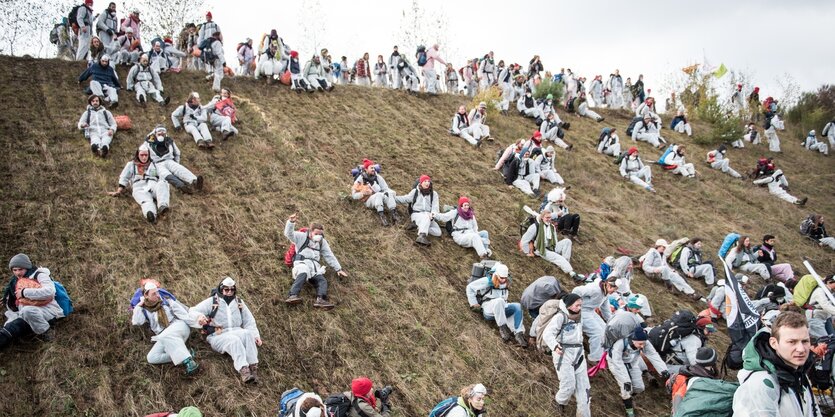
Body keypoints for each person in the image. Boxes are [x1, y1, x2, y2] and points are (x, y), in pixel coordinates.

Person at [732, 311, 821, 417]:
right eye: (792, 342)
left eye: (805, 341)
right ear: (774, 343)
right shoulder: (760, 385)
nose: (801, 349)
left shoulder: (800, 376)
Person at [191, 277, 262, 384]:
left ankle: (253, 367)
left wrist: (256, 336)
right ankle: (244, 370)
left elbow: (249, 320)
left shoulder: (239, 302)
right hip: (217, 334)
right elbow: (192, 310)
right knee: (234, 340)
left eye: (232, 289)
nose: (229, 292)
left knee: (248, 334)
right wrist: (199, 317)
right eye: (226, 289)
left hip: (236, 330)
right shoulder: (212, 301)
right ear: (221, 289)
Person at [131, 281, 199, 374]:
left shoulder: (167, 301)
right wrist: (139, 305)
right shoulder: (144, 310)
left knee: (164, 335)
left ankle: (189, 361)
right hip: (164, 336)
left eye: (157, 292)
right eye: (154, 294)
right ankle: (187, 353)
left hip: (178, 327)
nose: (157, 295)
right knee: (151, 357)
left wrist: (199, 323)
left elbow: (184, 315)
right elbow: (137, 321)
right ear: (146, 296)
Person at [284, 214, 348, 309]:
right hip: (302, 264)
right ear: (310, 232)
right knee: (303, 272)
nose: (318, 236)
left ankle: (321, 299)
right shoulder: (301, 237)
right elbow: (289, 234)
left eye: (320, 234)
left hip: (314, 268)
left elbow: (329, 255)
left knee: (322, 280)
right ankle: (292, 295)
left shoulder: (322, 242)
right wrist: (291, 222)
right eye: (316, 233)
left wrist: (338, 269)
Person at [542, 293, 591, 417]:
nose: (579, 308)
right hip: (563, 353)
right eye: (577, 305)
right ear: (569, 305)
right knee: (568, 384)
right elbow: (548, 333)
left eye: (580, 305)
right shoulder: (560, 317)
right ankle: (559, 402)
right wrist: (554, 346)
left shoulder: (580, 317)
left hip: (579, 353)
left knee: (584, 390)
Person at [1, 254, 65, 344]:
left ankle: (47, 332)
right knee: (7, 329)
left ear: (27, 267)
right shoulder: (14, 282)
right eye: (14, 270)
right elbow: (17, 303)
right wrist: (7, 301)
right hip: (23, 314)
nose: (17, 273)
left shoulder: (39, 275)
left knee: (28, 311)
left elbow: (50, 292)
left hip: (47, 311)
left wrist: (24, 292)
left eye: (20, 269)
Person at [609, 326, 669, 417]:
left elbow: (653, 354)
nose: (642, 346)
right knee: (626, 388)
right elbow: (617, 362)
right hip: (616, 363)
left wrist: (663, 369)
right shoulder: (620, 344)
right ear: (633, 340)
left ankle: (628, 399)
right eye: (640, 344)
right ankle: (629, 410)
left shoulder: (645, 342)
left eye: (643, 344)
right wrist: (626, 380)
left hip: (632, 363)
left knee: (639, 387)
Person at [466, 262, 527, 347]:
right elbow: (470, 287)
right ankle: (503, 328)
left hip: (501, 307)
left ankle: (519, 334)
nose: (503, 280)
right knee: (499, 301)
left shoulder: (506, 282)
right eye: (501, 278)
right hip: (488, 308)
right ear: (497, 275)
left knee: (517, 306)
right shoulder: (487, 280)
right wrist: (473, 303)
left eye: (505, 278)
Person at [108, 144, 170, 223]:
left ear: (149, 155)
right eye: (142, 155)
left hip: (153, 184)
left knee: (163, 183)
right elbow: (124, 177)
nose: (144, 157)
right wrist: (119, 190)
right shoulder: (131, 165)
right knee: (145, 201)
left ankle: (163, 206)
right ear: (138, 154)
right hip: (138, 187)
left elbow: (162, 175)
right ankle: (150, 214)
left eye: (146, 155)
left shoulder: (154, 164)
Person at [144, 125, 204, 194]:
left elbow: (177, 152)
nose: (161, 133)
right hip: (157, 163)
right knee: (166, 175)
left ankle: (195, 181)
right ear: (155, 133)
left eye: (163, 131)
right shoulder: (149, 142)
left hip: (169, 160)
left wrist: (176, 163)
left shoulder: (169, 141)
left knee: (180, 169)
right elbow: (143, 152)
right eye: (159, 132)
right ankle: (182, 186)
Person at [573, 277, 619, 362]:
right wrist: (574, 305)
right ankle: (595, 358)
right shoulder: (595, 289)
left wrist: (612, 322)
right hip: (582, 310)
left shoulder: (605, 293)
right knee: (597, 333)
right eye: (613, 289)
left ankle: (604, 354)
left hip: (591, 311)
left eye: (615, 290)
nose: (614, 292)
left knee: (605, 329)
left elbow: (606, 310)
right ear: (608, 284)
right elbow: (577, 290)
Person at [667, 347, 720, 415]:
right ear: (713, 362)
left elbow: (669, 384)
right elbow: (679, 396)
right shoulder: (697, 381)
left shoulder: (687, 371)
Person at [395, 175, 441, 246]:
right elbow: (405, 199)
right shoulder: (415, 192)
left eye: (428, 181)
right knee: (425, 217)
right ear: (421, 183)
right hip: (417, 214)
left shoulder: (434, 194)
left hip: (429, 216)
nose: (427, 183)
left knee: (438, 232)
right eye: (425, 181)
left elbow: (435, 207)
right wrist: (392, 198)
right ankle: (421, 236)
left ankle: (418, 226)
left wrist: (433, 214)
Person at [351, 159, 399, 227]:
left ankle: (394, 214)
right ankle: (382, 217)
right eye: (371, 168)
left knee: (390, 193)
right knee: (378, 195)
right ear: (366, 169)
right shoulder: (360, 179)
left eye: (374, 167)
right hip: (368, 200)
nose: (373, 169)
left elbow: (385, 188)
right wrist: (362, 194)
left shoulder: (378, 177)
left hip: (380, 196)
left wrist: (390, 193)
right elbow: (354, 195)